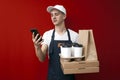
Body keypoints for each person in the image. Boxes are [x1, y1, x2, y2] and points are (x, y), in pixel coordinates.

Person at [32, 4, 79, 80]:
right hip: (52, 77)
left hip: (69, 78)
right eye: (51, 15)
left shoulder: (75, 36)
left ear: (64, 16)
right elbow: (42, 58)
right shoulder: (47, 35)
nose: (53, 17)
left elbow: (79, 60)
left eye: (56, 14)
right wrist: (37, 47)